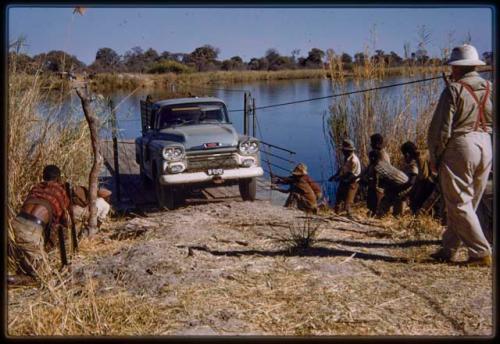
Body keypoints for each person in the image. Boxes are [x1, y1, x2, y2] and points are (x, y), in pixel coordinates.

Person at [427, 44, 492, 266]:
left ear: (456, 66)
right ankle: (449, 247)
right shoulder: (490, 87)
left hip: (462, 145)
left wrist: (435, 157)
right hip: (485, 143)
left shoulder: (453, 90)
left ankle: (480, 252)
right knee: (468, 200)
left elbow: (440, 129)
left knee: (459, 202)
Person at [8, 165, 71, 285]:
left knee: (21, 261)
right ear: (58, 178)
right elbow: (64, 221)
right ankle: (15, 279)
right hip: (31, 232)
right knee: (44, 278)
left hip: (14, 225)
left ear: (43, 176)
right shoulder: (60, 190)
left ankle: (22, 270)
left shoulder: (36, 187)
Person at [363, 150, 411, 217]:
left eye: (370, 158)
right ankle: (381, 215)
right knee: (384, 204)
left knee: (397, 208)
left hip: (403, 185)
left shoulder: (377, 167)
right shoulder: (383, 163)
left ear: (373, 158)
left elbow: (377, 186)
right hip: (397, 185)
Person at [400, 141, 436, 215]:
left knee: (417, 197)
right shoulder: (423, 153)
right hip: (434, 179)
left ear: (407, 154)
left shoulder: (420, 158)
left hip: (434, 182)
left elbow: (424, 179)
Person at [329, 139, 361, 217]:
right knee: (338, 200)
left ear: (349, 151)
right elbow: (343, 168)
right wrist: (335, 176)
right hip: (344, 180)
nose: (342, 152)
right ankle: (336, 216)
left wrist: (339, 178)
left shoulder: (354, 160)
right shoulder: (346, 157)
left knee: (347, 204)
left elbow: (351, 175)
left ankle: (350, 218)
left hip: (352, 183)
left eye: (344, 150)